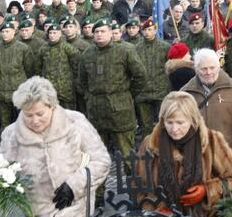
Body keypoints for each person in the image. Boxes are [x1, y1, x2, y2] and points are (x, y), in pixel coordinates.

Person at [0, 76, 110, 217]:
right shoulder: (12, 135)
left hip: (70, 208)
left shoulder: (74, 123)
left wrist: (74, 184)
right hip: (35, 212)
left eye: (40, 114)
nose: (35, 120)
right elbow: (2, 171)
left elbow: (102, 160)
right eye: (28, 115)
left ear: (52, 106)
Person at [77, 18, 147, 157]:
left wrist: (126, 95)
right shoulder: (87, 54)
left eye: (103, 31)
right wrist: (90, 97)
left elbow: (141, 76)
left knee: (127, 154)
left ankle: (131, 179)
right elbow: (82, 81)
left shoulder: (125, 50)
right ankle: (100, 180)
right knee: (97, 156)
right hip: (97, 112)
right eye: (96, 32)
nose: (99, 34)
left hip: (120, 112)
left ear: (110, 33)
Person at [182, 49, 232, 173]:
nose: (208, 72)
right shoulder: (185, 93)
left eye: (212, 67)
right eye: (203, 69)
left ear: (219, 66)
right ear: (196, 69)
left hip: (230, 158)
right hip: (198, 162)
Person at [0, 22, 36, 136]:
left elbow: (29, 70)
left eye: (8, 31)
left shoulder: (23, 48)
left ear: (14, 32)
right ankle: (6, 146)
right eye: (3, 32)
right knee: (4, 123)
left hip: (18, 91)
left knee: (22, 122)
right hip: (2, 91)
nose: (5, 34)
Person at [134, 18, 171, 133]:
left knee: (163, 123)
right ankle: (147, 148)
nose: (147, 33)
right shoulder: (136, 48)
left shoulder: (165, 47)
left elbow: (170, 67)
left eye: (150, 30)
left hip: (161, 92)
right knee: (146, 126)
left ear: (155, 30)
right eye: (145, 30)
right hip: (143, 93)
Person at [40, 26, 81, 110]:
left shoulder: (68, 48)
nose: (52, 35)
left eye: (55, 33)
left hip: (66, 90)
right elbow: (38, 67)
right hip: (49, 90)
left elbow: (77, 66)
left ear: (60, 34)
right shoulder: (43, 49)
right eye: (50, 33)